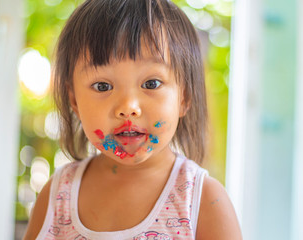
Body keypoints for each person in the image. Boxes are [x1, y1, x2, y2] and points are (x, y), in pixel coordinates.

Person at [23, 0, 242, 239]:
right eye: (102, 86)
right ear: (74, 100)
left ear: (184, 97)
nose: (128, 108)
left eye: (151, 83)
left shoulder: (203, 201)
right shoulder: (56, 196)